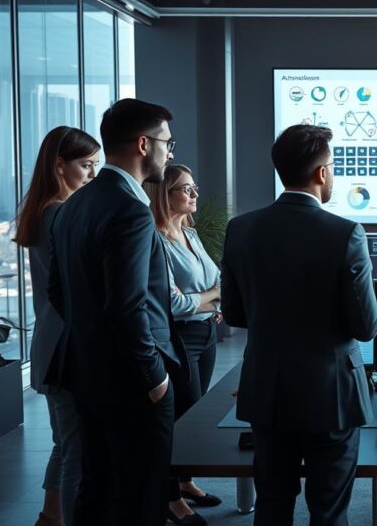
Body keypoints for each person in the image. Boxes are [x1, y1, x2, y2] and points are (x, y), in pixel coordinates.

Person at [221, 124, 377, 526]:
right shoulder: (346, 233)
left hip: (268, 392)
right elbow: (366, 327)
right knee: (329, 510)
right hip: (332, 397)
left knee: (272, 505)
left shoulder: (241, 229)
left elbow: (236, 315)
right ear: (322, 173)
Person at [47, 98, 180, 526]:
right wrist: (153, 375)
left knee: (97, 487)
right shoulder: (131, 210)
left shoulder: (73, 206)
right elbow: (127, 306)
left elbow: (58, 291)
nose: (170, 153)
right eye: (167, 143)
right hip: (131, 382)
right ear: (144, 144)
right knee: (141, 496)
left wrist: (92, 338)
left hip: (86, 371)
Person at [16, 126, 100, 526]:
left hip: (51, 344)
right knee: (76, 451)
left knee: (64, 443)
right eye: (86, 166)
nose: (92, 175)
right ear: (59, 166)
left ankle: (50, 517)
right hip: (67, 347)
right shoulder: (61, 213)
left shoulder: (44, 210)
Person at [145, 165, 223, 525]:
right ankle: (170, 498)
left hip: (206, 333)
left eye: (194, 187)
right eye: (185, 189)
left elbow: (216, 280)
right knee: (179, 419)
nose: (194, 195)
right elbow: (173, 305)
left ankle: (185, 481)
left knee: (194, 411)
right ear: (165, 195)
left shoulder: (190, 234)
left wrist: (207, 299)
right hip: (181, 338)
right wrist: (212, 297)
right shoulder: (156, 240)